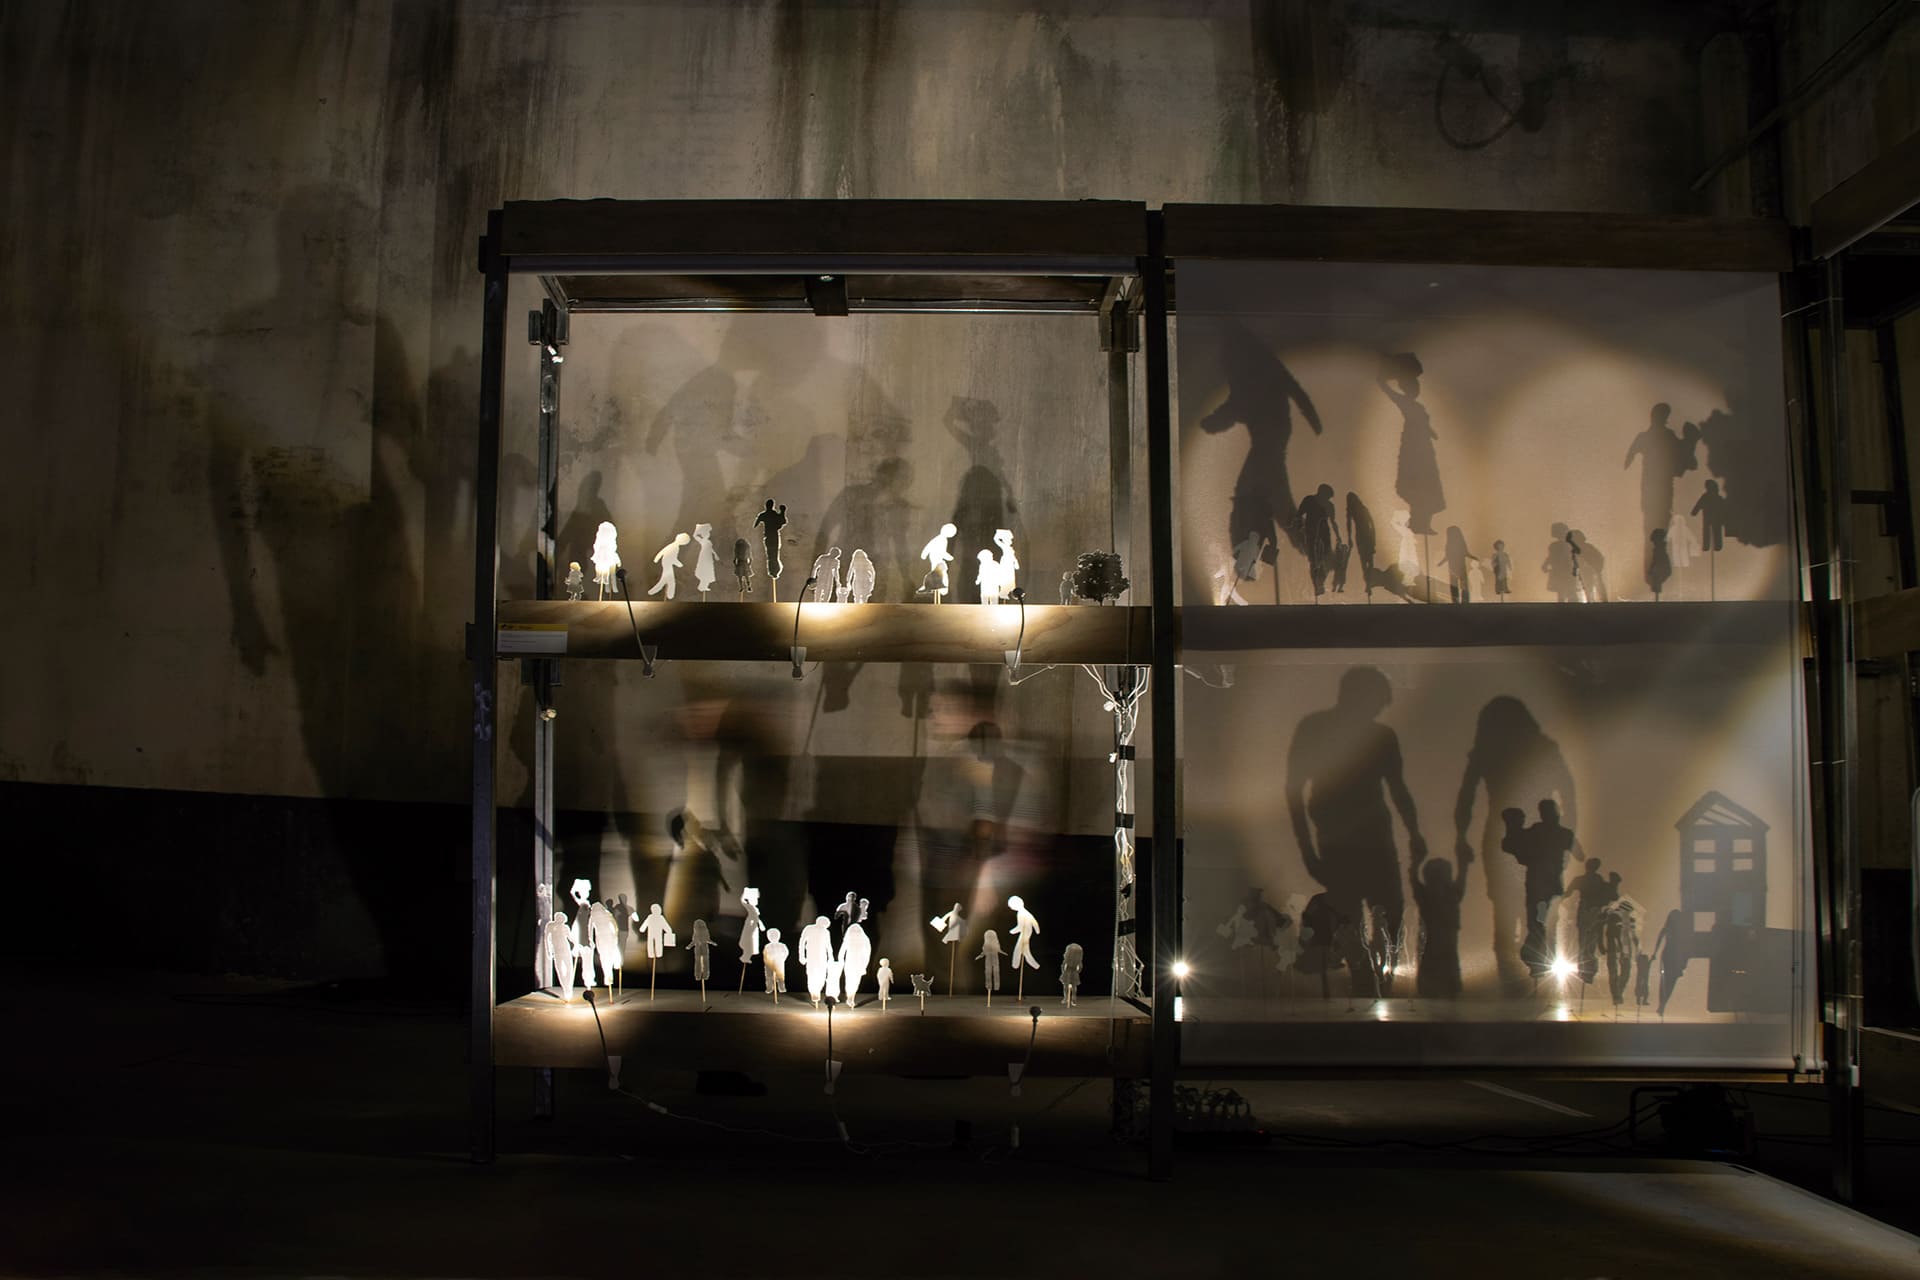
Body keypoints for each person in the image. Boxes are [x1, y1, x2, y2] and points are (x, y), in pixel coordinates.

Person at [1286, 667, 1426, 995]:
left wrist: (1415, 833)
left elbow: (1398, 789)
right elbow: (1294, 789)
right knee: (1353, 915)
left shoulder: (1380, 736)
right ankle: (1366, 982)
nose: (1375, 709)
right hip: (1341, 839)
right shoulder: (1317, 729)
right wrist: (1307, 850)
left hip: (1372, 837)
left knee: (1386, 911)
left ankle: (1377, 979)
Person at [1501, 801, 1575, 980]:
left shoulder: (1539, 832)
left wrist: (1512, 827)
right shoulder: (1560, 833)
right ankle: (1538, 960)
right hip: (1545, 889)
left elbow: (1511, 845)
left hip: (1540, 889)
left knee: (1539, 922)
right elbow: (1511, 845)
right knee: (1541, 923)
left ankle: (1538, 960)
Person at [1409, 846, 1468, 998]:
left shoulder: (1426, 894)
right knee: (1443, 968)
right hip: (1441, 940)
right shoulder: (1452, 894)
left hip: (1437, 941)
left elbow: (1413, 876)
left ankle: (1436, 991)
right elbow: (1463, 872)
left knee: (1436, 968)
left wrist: (1416, 861)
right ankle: (1444, 991)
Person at [798, 915, 837, 1006]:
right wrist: (802, 956)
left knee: (822, 975)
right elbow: (802, 942)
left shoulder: (826, 932)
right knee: (812, 974)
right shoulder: (809, 929)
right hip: (811, 955)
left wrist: (831, 957)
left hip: (822, 956)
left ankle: (817, 991)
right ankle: (814, 993)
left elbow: (828, 945)